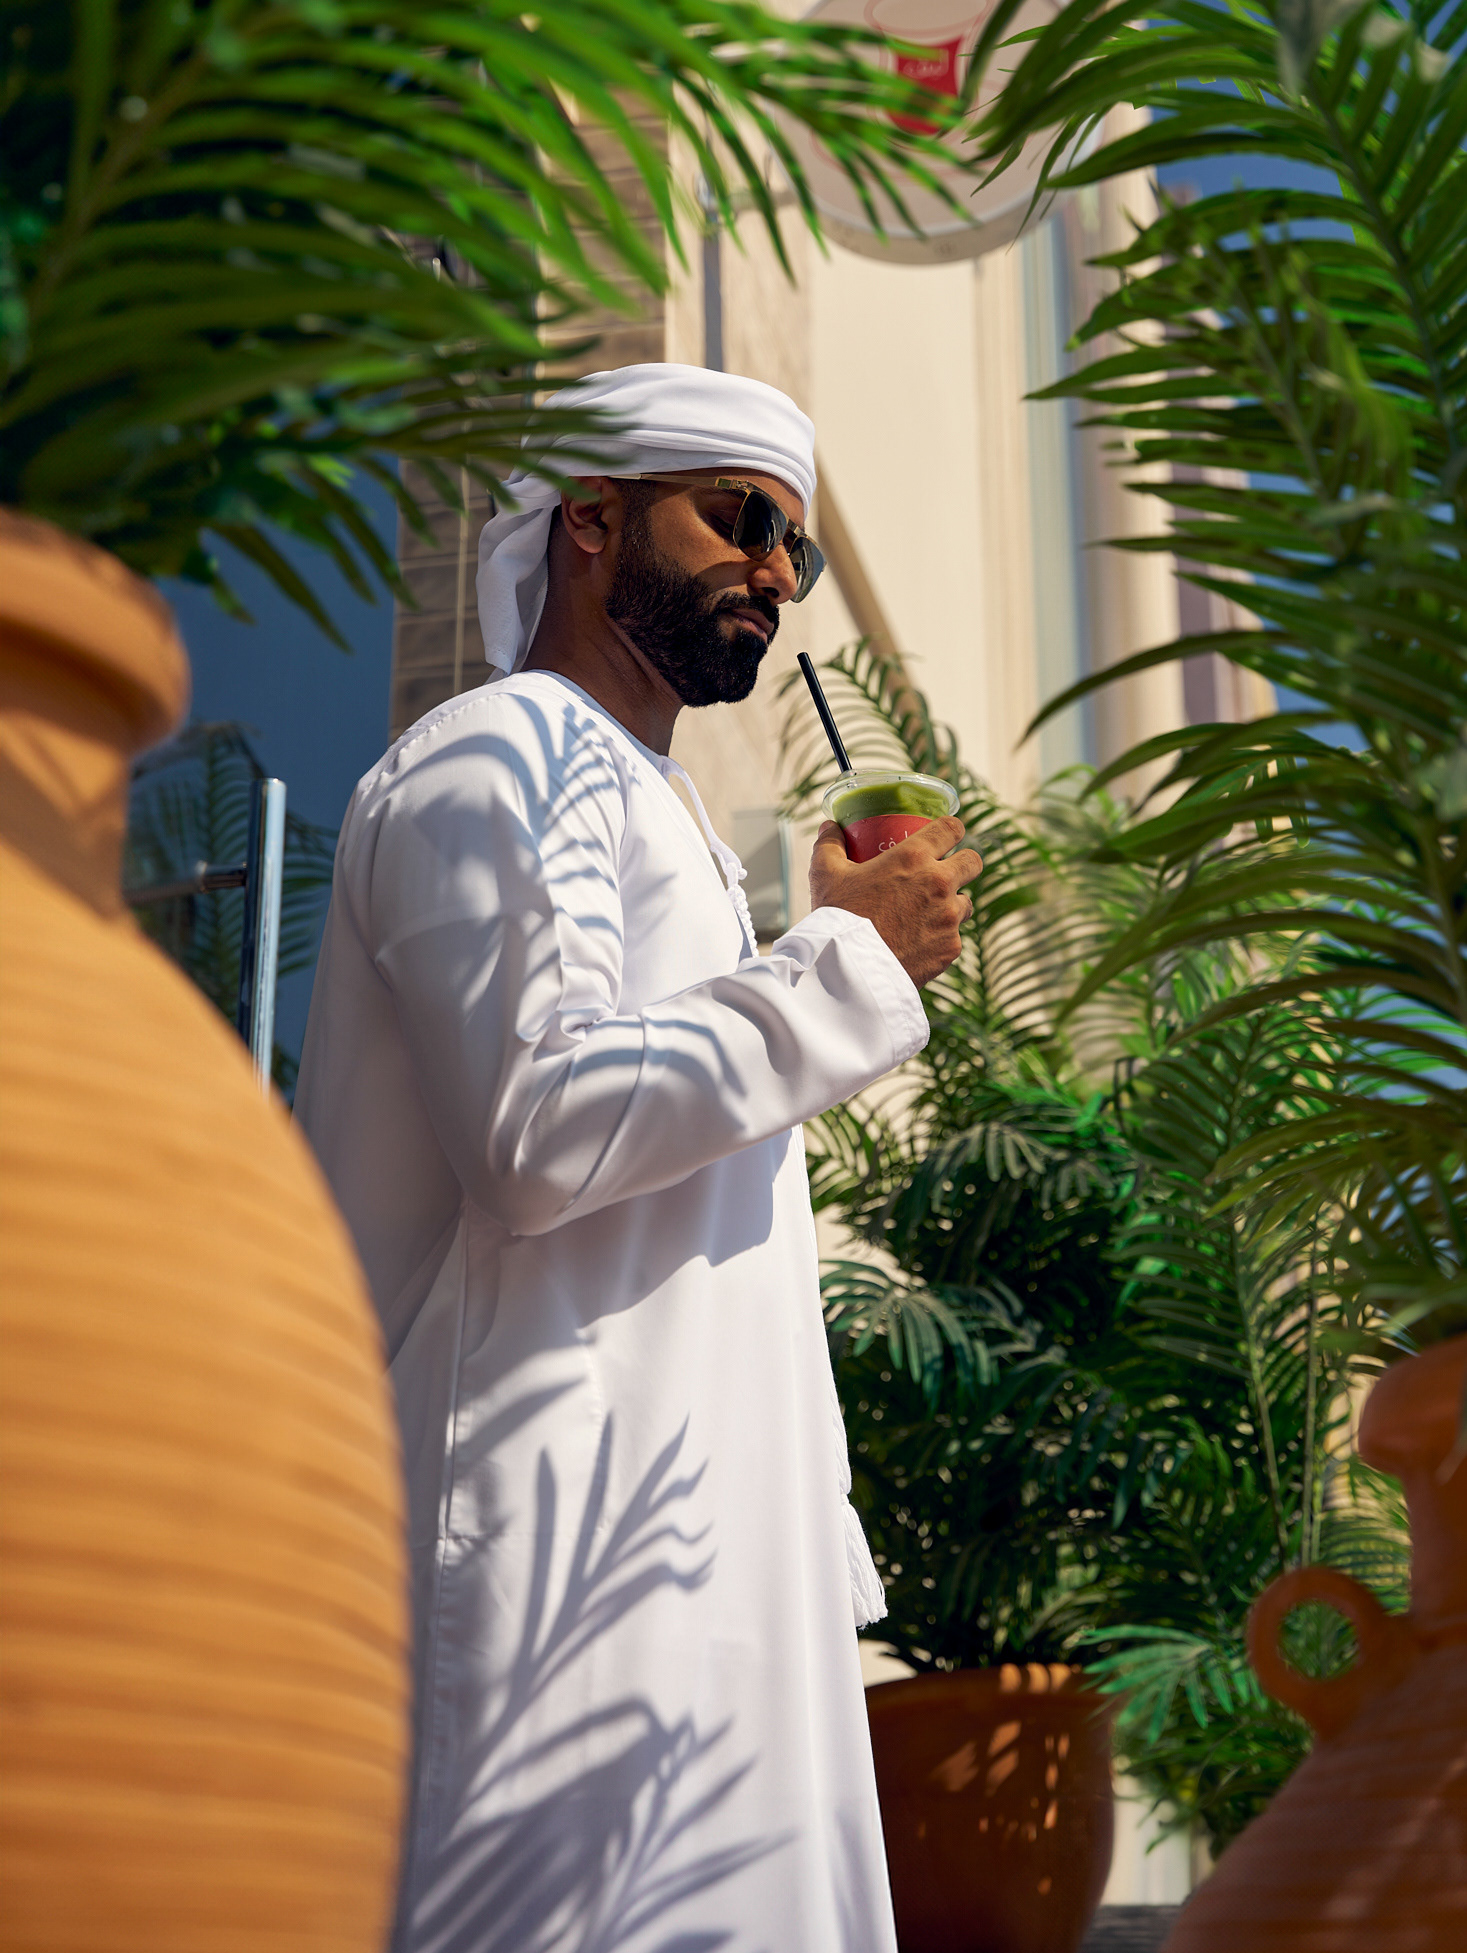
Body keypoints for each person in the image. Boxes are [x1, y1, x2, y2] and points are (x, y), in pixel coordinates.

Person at [295, 363, 982, 1953]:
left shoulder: (654, 808)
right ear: (590, 520)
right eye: (741, 518)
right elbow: (536, 1124)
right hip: (552, 1567)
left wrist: (813, 943)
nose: (775, 572)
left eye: (798, 548)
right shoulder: (498, 753)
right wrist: (841, 964)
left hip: (705, 1570)